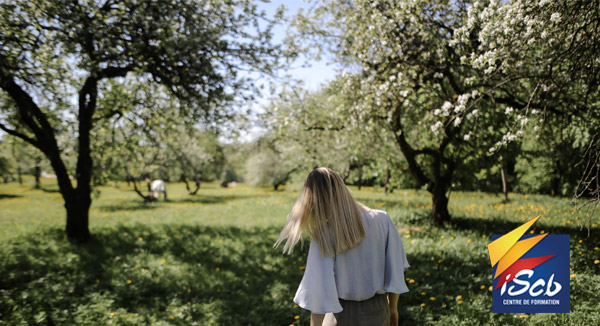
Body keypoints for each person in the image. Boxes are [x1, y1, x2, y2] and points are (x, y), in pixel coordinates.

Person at [274, 167, 410, 326]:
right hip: (378, 312)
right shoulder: (382, 220)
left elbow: (319, 291)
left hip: (339, 316)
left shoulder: (325, 234)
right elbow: (395, 269)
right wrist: (392, 308)